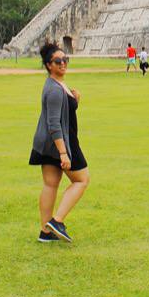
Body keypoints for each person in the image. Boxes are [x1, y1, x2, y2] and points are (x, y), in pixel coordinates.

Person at [30, 43, 91, 243]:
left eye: (65, 60)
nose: (63, 63)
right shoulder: (55, 90)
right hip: (62, 141)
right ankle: (57, 221)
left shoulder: (55, 84)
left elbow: (61, 114)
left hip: (47, 142)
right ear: (49, 65)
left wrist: (76, 100)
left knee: (50, 184)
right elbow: (54, 123)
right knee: (82, 180)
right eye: (58, 61)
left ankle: (45, 232)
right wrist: (63, 153)